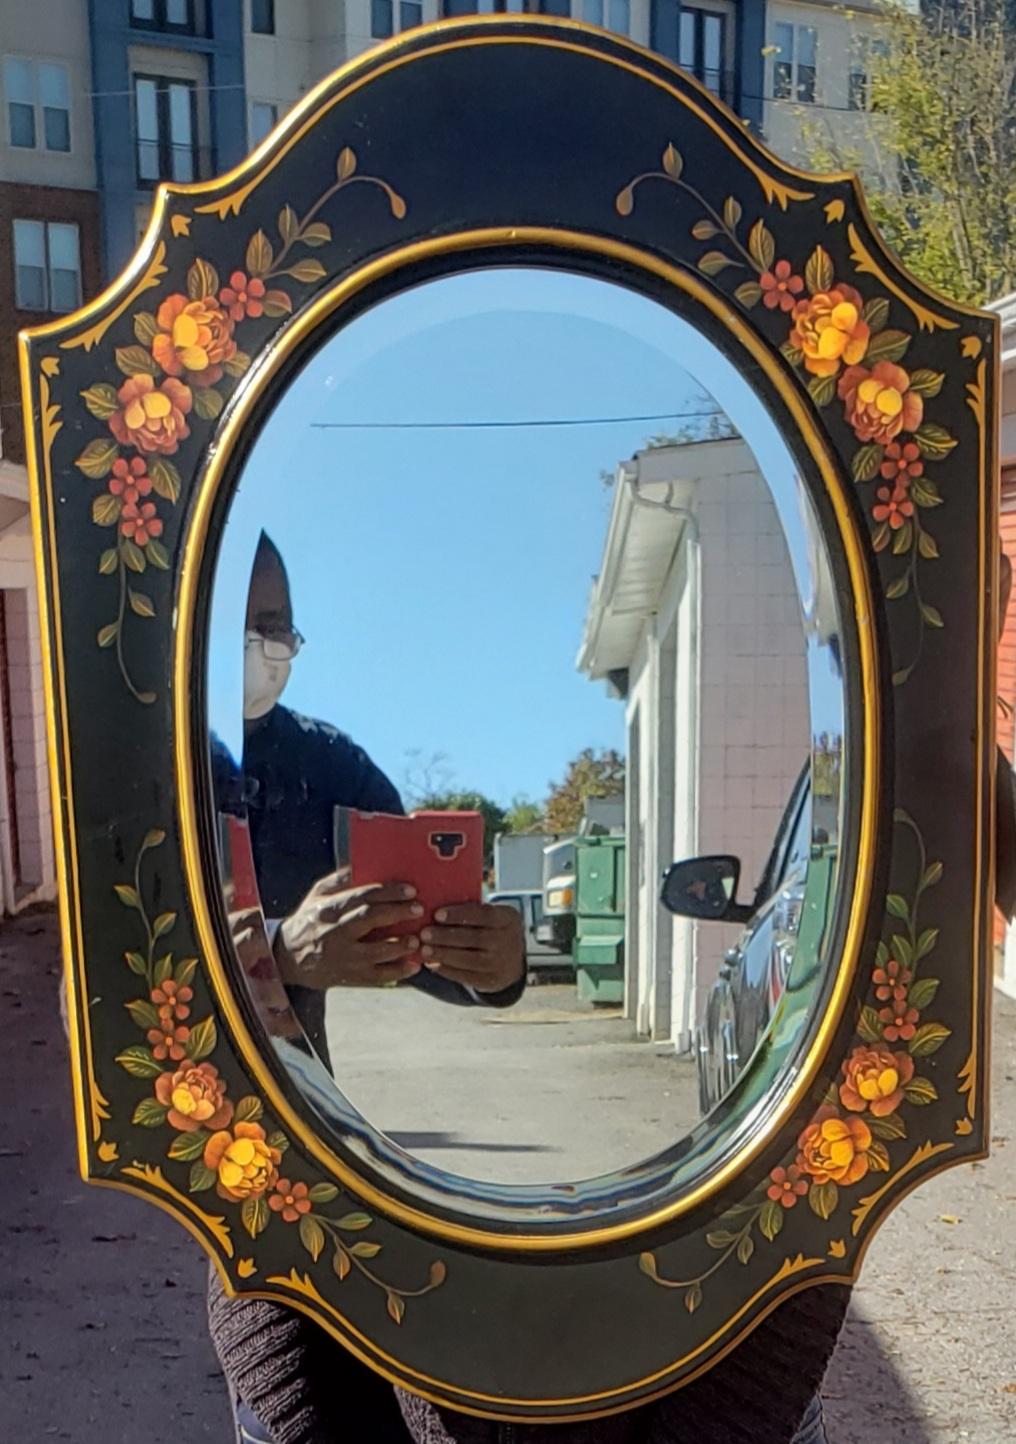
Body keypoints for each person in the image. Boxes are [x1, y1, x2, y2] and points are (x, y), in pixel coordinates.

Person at [209, 533, 526, 1441]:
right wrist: (279, 949)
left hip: (323, 1154)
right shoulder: (139, 767)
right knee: (286, 1401)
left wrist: (496, 967)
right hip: (215, 1161)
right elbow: (128, 976)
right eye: (240, 621)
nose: (262, 644)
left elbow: (424, 919)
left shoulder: (328, 771)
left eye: (278, 626)